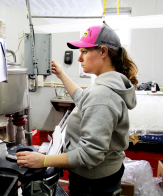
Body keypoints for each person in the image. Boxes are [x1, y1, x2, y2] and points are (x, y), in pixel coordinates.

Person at [16, 24, 138, 196]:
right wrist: (62, 75)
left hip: (93, 184)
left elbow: (89, 155)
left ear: (103, 52)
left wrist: (43, 160)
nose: (79, 58)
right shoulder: (108, 85)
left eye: (85, 52)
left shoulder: (103, 95)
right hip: (104, 176)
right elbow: (83, 98)